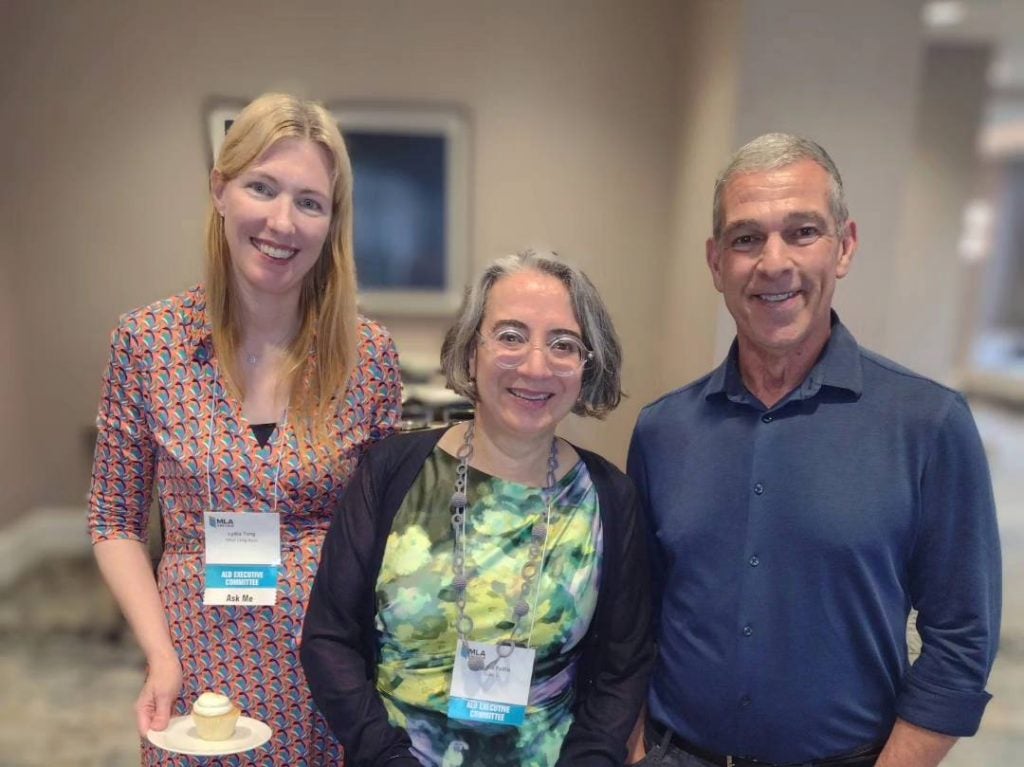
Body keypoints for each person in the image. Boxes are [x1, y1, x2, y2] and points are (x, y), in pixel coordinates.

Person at [627, 134, 1001, 767]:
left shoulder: (928, 424)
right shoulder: (663, 431)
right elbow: (632, 620)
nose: (774, 263)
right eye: (747, 239)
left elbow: (961, 640)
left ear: (845, 246)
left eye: (802, 232)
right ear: (716, 261)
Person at [88, 93, 402, 765]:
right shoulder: (147, 343)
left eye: (310, 202)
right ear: (220, 190)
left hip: (328, 675)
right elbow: (114, 518)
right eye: (263, 187)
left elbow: (386, 536)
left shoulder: (369, 356)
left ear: (331, 222)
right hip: (196, 670)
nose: (283, 221)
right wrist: (158, 652)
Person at [301, 249, 654, 766]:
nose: (536, 365)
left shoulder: (610, 498)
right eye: (510, 336)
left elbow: (624, 668)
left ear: (585, 368)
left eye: (564, 344)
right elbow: (328, 639)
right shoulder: (392, 471)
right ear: (471, 352)